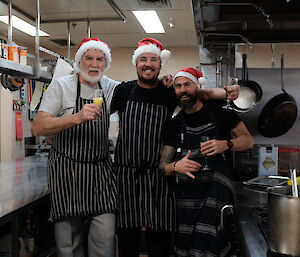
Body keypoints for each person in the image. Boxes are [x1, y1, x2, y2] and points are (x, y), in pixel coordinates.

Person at [110, 38, 240, 257]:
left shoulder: (170, 91)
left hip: (159, 176)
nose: (148, 64)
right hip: (126, 176)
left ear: (160, 65)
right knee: (127, 238)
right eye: (143, 59)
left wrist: (227, 93)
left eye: (153, 59)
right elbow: (99, 113)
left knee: (159, 239)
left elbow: (204, 94)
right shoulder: (123, 90)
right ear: (136, 64)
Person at [32, 38, 119, 257]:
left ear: (105, 64)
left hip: (100, 172)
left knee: (105, 238)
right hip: (67, 172)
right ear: (79, 61)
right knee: (69, 244)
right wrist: (77, 117)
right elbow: (39, 126)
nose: (94, 64)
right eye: (88, 58)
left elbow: (141, 93)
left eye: (100, 59)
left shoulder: (110, 87)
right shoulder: (61, 86)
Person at [159, 67, 254, 257]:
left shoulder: (221, 114)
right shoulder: (175, 123)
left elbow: (248, 140)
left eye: (187, 84)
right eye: (178, 86)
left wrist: (226, 144)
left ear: (197, 87)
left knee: (211, 244)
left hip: (215, 196)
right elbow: (162, 167)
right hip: (186, 202)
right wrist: (176, 166)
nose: (182, 90)